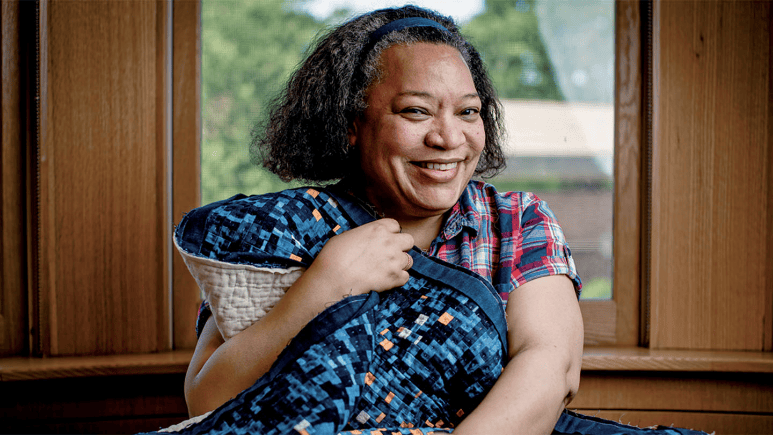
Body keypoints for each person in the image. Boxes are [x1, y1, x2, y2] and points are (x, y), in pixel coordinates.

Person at [168, 6, 706, 435]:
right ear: (353, 124)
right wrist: (325, 285)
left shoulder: (515, 222)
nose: (448, 138)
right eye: (416, 111)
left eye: (468, 112)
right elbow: (209, 401)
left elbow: (551, 368)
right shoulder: (291, 227)